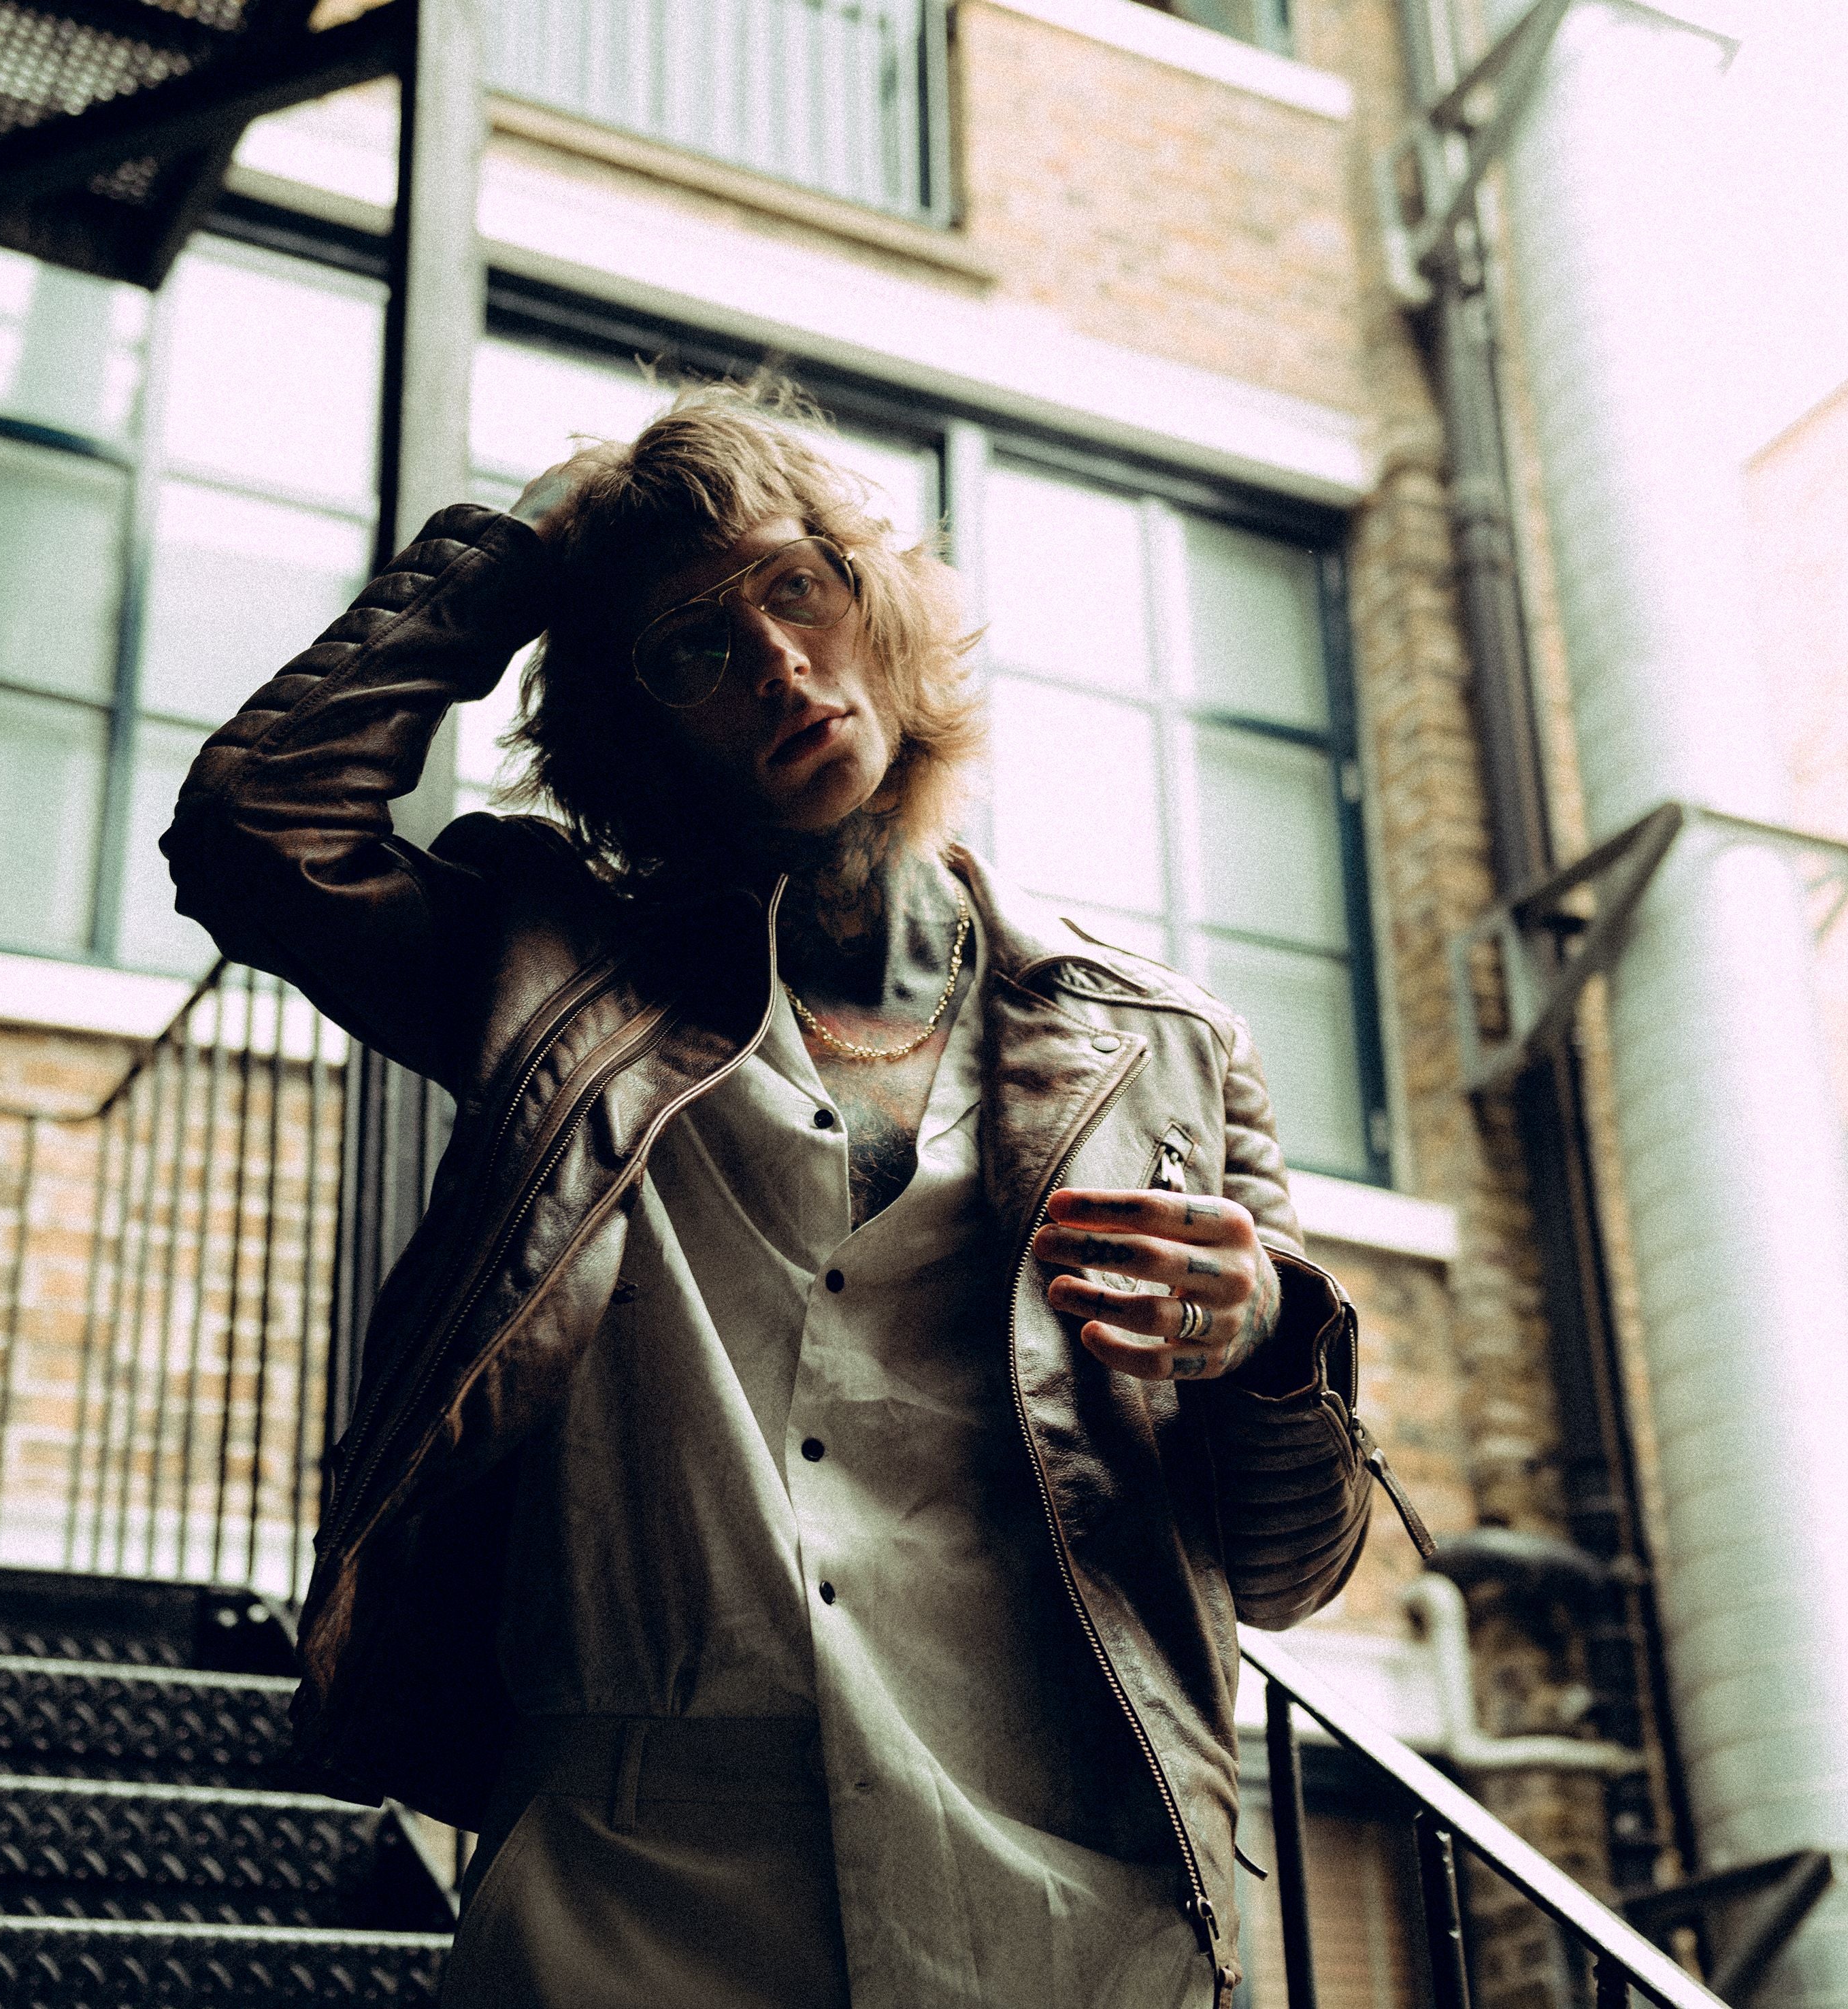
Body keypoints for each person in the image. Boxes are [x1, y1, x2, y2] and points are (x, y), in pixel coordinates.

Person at [163, 385, 1429, 2009]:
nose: (774, 661)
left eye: (797, 586)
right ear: (633, 730)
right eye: (692, 647)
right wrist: (517, 558)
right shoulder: (556, 980)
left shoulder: (1166, 1049)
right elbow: (254, 828)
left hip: (1063, 1906)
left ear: (877, 603)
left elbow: (1289, 1567)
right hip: (635, 1894)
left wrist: (1261, 1344)